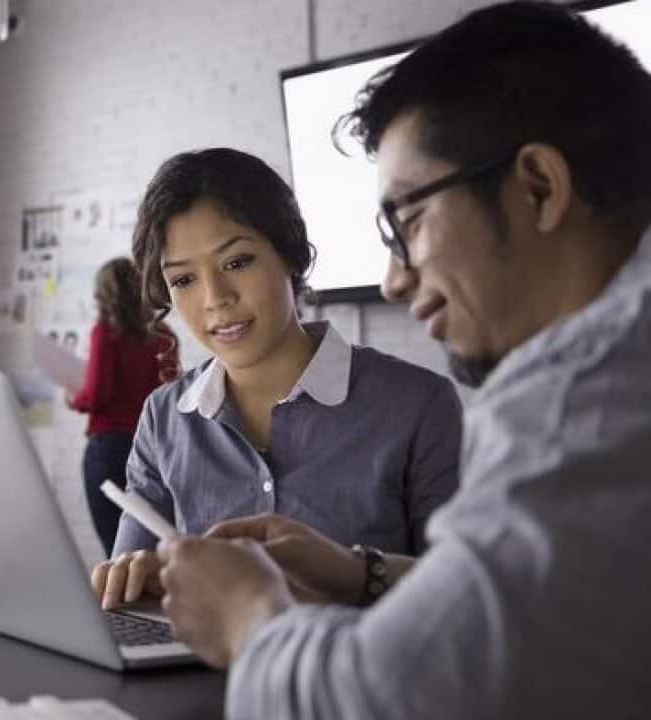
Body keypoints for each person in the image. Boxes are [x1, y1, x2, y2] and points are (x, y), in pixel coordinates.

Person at [156, 4, 651, 717]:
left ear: (540, 186)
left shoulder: (582, 395)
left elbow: (394, 699)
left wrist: (249, 617)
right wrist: (363, 575)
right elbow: (504, 605)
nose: (394, 279)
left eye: (408, 223)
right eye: (182, 280)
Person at [91, 148, 463, 611]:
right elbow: (132, 582)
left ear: (288, 253)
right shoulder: (163, 418)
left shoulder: (418, 405)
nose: (215, 298)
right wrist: (133, 576)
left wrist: (356, 574)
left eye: (236, 262)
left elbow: (465, 595)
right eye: (183, 280)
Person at [67, 257, 179, 556]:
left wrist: (74, 398)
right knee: (150, 552)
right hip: (153, 451)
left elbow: (97, 396)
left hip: (109, 448)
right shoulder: (163, 333)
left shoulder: (106, 332)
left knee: (116, 553)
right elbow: (171, 393)